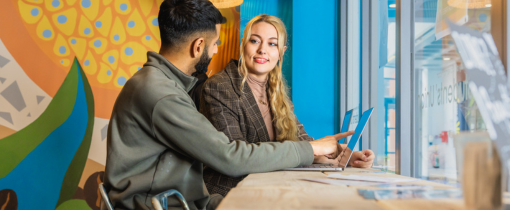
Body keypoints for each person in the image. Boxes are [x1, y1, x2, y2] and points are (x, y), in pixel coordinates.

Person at [104, 1, 353, 210]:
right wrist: (310, 150)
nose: (215, 51)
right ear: (198, 46)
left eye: (273, 43)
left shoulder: (162, 84)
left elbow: (299, 140)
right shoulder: (162, 94)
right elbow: (231, 157)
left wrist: (330, 154)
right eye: (215, 45)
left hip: (185, 199)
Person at [199, 14, 375, 197]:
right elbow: (236, 160)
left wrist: (344, 155)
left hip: (271, 187)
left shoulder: (277, 93)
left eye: (272, 44)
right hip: (231, 193)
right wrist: (314, 149)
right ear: (243, 44)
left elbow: (303, 143)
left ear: (281, 52)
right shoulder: (219, 87)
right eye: (255, 41)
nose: (262, 50)